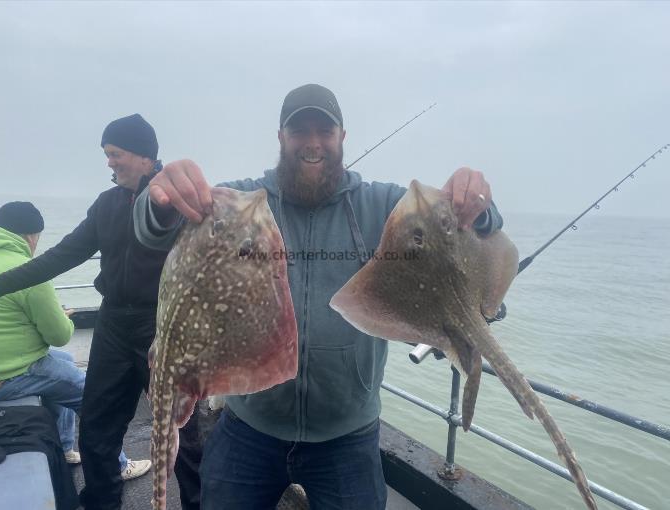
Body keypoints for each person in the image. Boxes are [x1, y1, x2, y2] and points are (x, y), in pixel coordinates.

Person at [134, 83, 502, 510]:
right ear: (280, 138)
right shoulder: (243, 204)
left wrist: (476, 203)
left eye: (324, 132)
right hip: (250, 428)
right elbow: (154, 229)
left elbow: (465, 227)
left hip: (347, 437)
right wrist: (159, 198)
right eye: (299, 131)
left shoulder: (379, 205)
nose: (312, 143)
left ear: (342, 138)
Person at [0, 114, 204, 510]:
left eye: (115, 154)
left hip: (166, 324)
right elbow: (62, 255)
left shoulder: (175, 204)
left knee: (185, 432)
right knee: (96, 426)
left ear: (144, 156)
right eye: (107, 154)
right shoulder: (106, 203)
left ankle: (199, 502)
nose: (109, 162)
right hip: (113, 325)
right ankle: (101, 502)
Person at [0, 201, 141, 478]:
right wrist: (65, 318)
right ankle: (118, 466)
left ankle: (64, 447)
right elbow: (58, 336)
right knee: (89, 393)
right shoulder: (27, 271)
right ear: (31, 236)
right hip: (5, 377)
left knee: (66, 363)